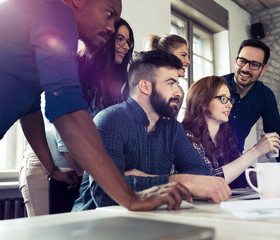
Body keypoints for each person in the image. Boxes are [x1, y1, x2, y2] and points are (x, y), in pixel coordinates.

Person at [0, 0, 191, 211]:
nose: (111, 27)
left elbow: (29, 109)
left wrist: (52, 169)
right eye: (109, 13)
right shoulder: (55, 11)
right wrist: (130, 197)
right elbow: (68, 115)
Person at [73, 51, 231, 210]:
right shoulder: (110, 120)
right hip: (95, 223)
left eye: (177, 83)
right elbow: (104, 195)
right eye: (170, 83)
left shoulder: (173, 128)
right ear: (145, 86)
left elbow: (203, 176)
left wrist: (148, 179)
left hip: (147, 219)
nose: (178, 92)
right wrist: (176, 182)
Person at [19, 18, 134, 216]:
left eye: (129, 41)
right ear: (106, 39)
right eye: (120, 38)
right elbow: (64, 130)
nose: (126, 45)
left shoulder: (115, 87)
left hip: (78, 171)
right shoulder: (77, 70)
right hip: (45, 165)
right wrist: (88, 176)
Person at [222, 39, 280, 186]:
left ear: (263, 69)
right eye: (242, 61)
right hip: (208, 161)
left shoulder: (265, 96)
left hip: (237, 162)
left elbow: (276, 134)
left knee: (266, 182)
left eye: (254, 64)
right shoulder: (216, 86)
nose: (246, 68)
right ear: (236, 61)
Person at [183, 76, 280, 188]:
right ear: (202, 102)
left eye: (229, 99)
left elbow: (240, 173)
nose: (230, 105)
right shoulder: (187, 137)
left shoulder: (225, 136)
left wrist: (267, 178)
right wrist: (256, 151)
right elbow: (209, 181)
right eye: (223, 99)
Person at [145, 34, 190, 110]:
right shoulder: (147, 84)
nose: (188, 61)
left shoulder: (179, 91)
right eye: (183, 55)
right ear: (167, 55)